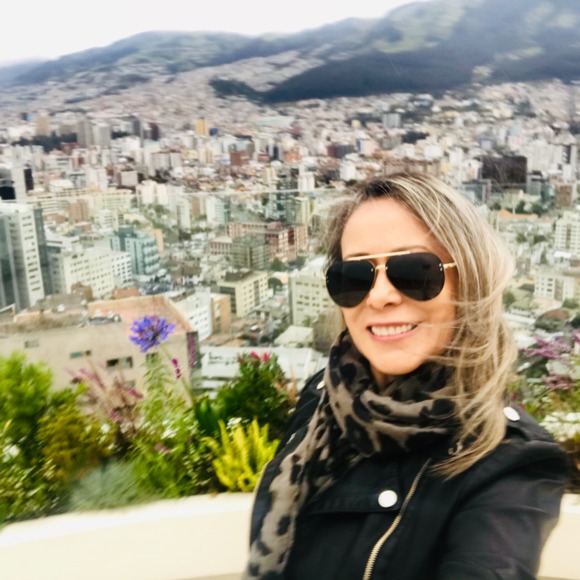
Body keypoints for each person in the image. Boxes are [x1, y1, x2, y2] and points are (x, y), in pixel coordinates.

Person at [245, 173, 569, 579]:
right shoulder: (323, 399)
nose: (380, 296)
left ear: (469, 281)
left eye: (415, 271)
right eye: (355, 277)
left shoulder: (510, 463)